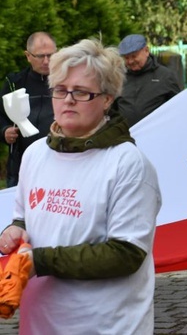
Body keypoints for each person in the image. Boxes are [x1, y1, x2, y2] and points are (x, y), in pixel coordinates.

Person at [0, 38, 161, 333]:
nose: (68, 99)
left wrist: (41, 260)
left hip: (105, 326)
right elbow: (24, 218)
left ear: (108, 98)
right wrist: (13, 232)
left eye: (82, 92)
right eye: (60, 90)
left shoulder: (128, 164)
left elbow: (126, 254)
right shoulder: (35, 154)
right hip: (40, 324)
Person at [0, 32, 57, 188]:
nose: (46, 61)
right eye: (40, 56)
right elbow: (1, 116)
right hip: (21, 165)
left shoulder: (66, 81)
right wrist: (4, 131)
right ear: (28, 56)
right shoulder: (14, 83)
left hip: (59, 161)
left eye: (51, 55)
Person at [116, 34, 182, 127]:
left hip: (156, 135)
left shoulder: (165, 76)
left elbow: (178, 107)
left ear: (146, 51)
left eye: (134, 56)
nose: (130, 61)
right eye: (126, 58)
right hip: (125, 136)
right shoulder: (120, 77)